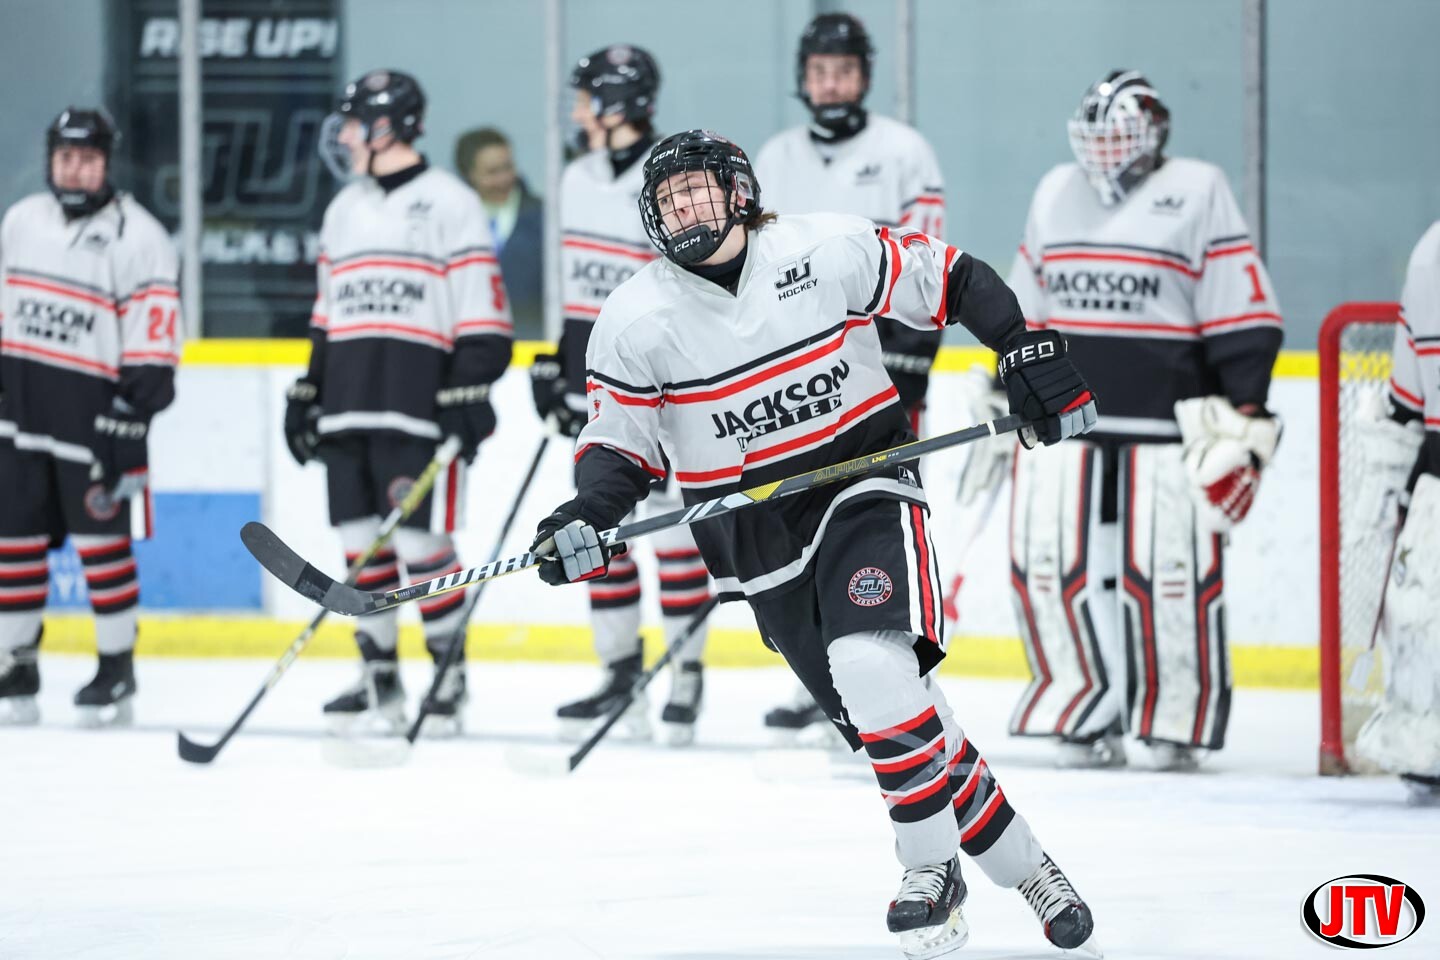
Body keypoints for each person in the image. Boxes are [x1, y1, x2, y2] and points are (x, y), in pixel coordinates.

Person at [530, 128, 1099, 958]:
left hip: (862, 485)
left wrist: (1019, 346)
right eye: (666, 200)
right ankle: (1034, 871)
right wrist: (587, 514)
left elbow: (952, 277)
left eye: (695, 190)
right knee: (903, 716)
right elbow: (620, 448)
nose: (682, 209)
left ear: (739, 192)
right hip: (756, 536)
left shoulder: (822, 247)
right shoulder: (633, 317)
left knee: (870, 666)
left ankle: (929, 866)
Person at [958, 70, 1283, 771]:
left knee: (1172, 575)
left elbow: (1239, 304)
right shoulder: (1055, 191)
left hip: (1167, 426)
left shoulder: (1198, 189)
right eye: (1096, 136)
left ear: (1155, 131)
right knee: (1049, 567)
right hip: (1067, 422)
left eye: (1120, 135)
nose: (1105, 150)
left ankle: (1175, 718)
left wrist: (1247, 403)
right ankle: (1081, 707)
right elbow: (1026, 303)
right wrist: (1000, 378)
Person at [287, 69, 512, 736]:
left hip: (416, 407)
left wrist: (469, 388)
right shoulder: (343, 209)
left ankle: (448, 676)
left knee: (421, 542)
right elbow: (329, 311)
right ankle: (378, 675)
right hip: (347, 403)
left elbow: (483, 314)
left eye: (355, 123)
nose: (345, 137)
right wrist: (308, 388)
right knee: (360, 544)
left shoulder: (450, 202)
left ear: (388, 127)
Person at [754, 12, 948, 740]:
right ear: (802, 79)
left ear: (863, 76)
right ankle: (821, 680)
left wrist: (911, 357)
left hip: (879, 378)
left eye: (843, 71)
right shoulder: (775, 156)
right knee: (800, 527)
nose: (830, 84)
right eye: (819, 71)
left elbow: (926, 259)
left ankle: (894, 678)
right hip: (798, 379)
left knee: (876, 527)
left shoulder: (903, 151)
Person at [530, 44, 713, 747]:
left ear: (618, 102)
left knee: (670, 535)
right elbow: (574, 284)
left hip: (662, 382)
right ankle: (619, 673)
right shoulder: (574, 177)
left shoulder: (666, 178)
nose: (578, 111)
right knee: (596, 529)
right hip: (596, 377)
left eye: (587, 98)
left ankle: (685, 673)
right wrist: (558, 360)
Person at [0, 107, 181, 727]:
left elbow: (156, 336)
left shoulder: (140, 237)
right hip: (19, 420)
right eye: (65, 157)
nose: (74, 170)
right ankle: (15, 662)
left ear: (107, 163)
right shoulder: (21, 221)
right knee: (13, 543)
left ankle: (115, 666)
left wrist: (133, 411)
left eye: (88, 159)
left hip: (97, 425)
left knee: (102, 546)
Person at [1352, 220, 1440, 805]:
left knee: (1421, 616)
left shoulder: (1431, 248)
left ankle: (1427, 748)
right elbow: (1407, 403)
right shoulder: (1431, 251)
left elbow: (1406, 403)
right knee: (1418, 616)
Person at [455, 127, 543, 336]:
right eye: (492, 172)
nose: (504, 178)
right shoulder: (455, 222)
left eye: (508, 167)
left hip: (529, 338)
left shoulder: (543, 218)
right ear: (469, 174)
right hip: (473, 337)